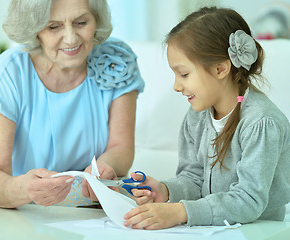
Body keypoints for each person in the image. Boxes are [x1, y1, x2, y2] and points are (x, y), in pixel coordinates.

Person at [123, 6, 290, 230]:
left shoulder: (261, 122)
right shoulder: (197, 116)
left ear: (221, 68)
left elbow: (249, 201)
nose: (176, 86)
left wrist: (181, 211)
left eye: (184, 74)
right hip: (211, 229)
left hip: (259, 230)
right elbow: (193, 178)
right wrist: (166, 190)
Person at [0, 0, 144, 208]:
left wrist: (105, 167)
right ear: (34, 29)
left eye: (81, 22)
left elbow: (122, 147)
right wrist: (25, 188)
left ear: (96, 19)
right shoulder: (8, 73)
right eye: (53, 26)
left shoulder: (116, 59)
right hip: (16, 203)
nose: (71, 38)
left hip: (90, 201)